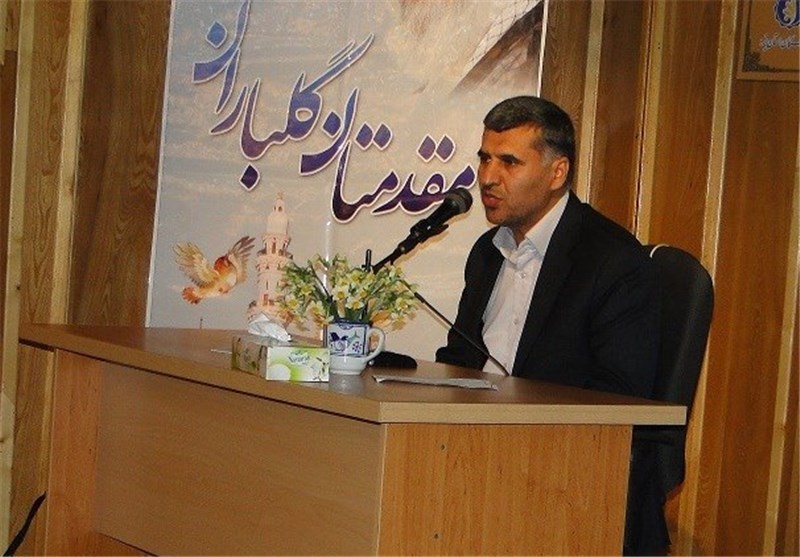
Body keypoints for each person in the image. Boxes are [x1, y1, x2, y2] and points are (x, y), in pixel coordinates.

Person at [435, 95, 668, 555]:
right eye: (484, 158)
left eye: (509, 162)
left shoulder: (611, 260)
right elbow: (461, 361)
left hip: (567, 479)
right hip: (480, 459)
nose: (488, 177)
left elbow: (618, 396)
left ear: (557, 173)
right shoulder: (487, 254)